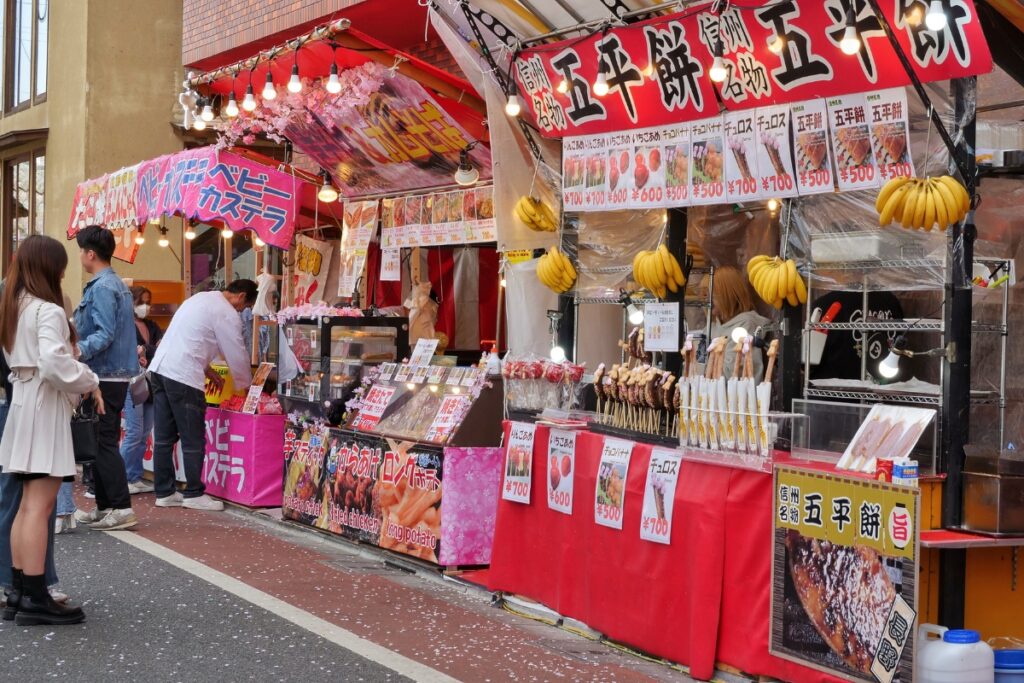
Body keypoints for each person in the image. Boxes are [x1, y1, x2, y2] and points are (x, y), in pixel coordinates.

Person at [0, 235, 104, 626]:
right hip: (43, 406)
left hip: (22, 401)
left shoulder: (15, 306)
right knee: (39, 507)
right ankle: (36, 595)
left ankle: (19, 591)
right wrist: (90, 379)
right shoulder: (48, 309)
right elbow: (54, 363)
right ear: (50, 268)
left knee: (27, 506)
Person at [149, 280, 255, 511]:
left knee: (164, 439)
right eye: (244, 307)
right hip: (182, 376)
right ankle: (194, 492)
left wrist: (207, 369)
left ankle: (164, 492)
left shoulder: (199, 299)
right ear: (241, 296)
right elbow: (236, 352)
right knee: (193, 437)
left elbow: (187, 338)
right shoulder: (226, 312)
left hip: (160, 369)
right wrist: (248, 388)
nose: (241, 312)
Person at [71, 225, 140, 531]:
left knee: (103, 442)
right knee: (101, 441)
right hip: (111, 374)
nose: (80, 257)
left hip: (105, 376)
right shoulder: (114, 284)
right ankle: (105, 506)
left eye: (81, 251)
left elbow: (104, 334)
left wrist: (75, 351)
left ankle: (121, 508)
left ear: (90, 253)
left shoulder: (102, 287)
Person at [120, 286, 162, 494]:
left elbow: (162, 347)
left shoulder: (152, 326)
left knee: (144, 432)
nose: (146, 306)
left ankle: (134, 476)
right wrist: (146, 350)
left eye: (148, 301)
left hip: (151, 382)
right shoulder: (124, 326)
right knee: (134, 431)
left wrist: (146, 349)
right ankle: (120, 478)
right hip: (132, 381)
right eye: (141, 302)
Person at [703, 266, 771, 382]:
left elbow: (734, 374)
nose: (706, 300)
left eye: (711, 295)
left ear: (728, 295)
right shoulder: (713, 325)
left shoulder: (746, 325)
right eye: (704, 295)